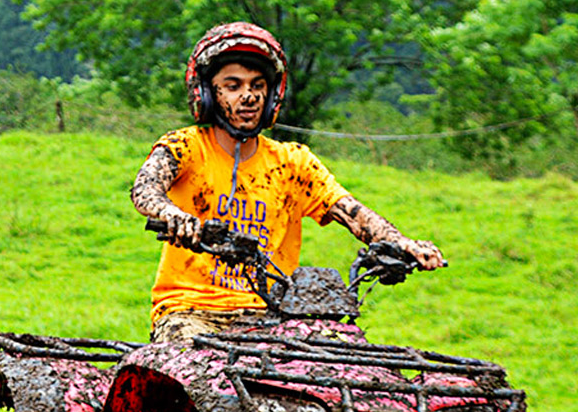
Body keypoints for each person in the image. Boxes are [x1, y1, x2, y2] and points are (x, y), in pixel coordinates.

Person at [130, 22, 446, 342]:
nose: (249, 96)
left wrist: (401, 243)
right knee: (205, 375)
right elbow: (145, 188)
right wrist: (174, 216)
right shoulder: (186, 146)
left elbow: (352, 212)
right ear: (209, 92)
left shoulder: (293, 162)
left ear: (272, 93)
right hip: (191, 311)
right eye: (233, 85)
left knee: (346, 358)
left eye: (258, 85)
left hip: (274, 313)